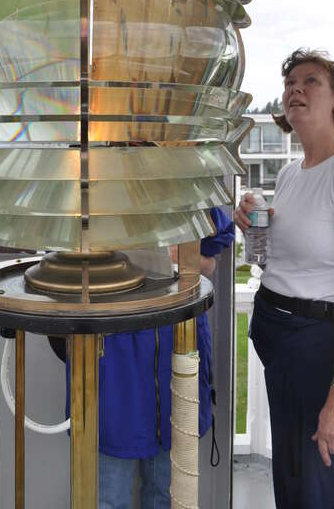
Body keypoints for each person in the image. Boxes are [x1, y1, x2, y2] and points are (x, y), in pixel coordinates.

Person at [234, 48, 334, 509]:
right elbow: (288, 266)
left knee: (330, 491)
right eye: (289, 82)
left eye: (311, 81)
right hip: (287, 353)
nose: (295, 88)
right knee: (297, 490)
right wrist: (256, 231)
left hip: (327, 354)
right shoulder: (294, 172)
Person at [54, 206, 234, 508]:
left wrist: (185, 259)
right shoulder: (89, 188)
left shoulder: (184, 182)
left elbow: (212, 252)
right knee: (107, 496)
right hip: (112, 357)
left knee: (169, 494)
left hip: (175, 351)